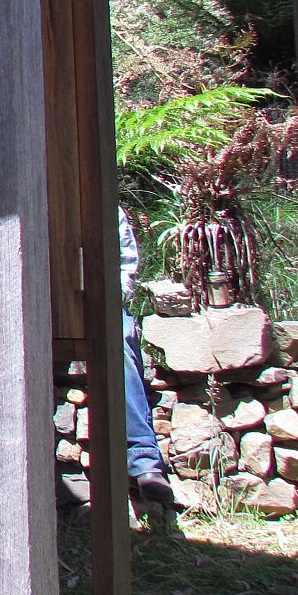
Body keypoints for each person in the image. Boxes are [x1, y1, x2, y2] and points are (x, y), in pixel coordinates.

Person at [119, 209, 174, 504]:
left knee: (119, 342)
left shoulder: (105, 208)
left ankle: (144, 462)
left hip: (91, 303)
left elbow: (124, 267)